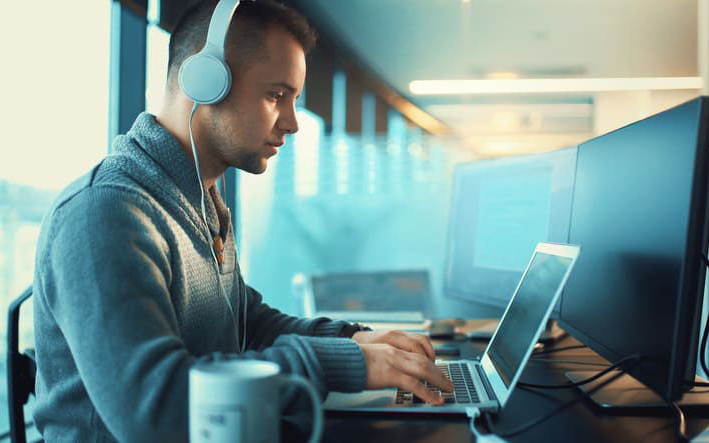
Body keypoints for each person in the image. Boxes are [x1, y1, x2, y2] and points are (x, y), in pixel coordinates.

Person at [32, 1, 453, 441]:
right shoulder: (104, 213)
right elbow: (157, 407)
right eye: (276, 95)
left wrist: (352, 341)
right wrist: (343, 365)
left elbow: (245, 324)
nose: (292, 123)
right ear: (205, 81)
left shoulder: (200, 200)